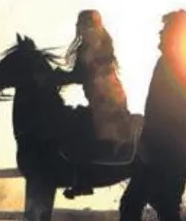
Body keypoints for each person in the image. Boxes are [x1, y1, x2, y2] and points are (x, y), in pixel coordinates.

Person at [110, 9, 186, 221]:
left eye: (165, 30)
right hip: (171, 150)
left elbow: (171, 114)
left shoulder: (179, 68)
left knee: (135, 204)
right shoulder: (177, 66)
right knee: (165, 210)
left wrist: (150, 146)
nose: (160, 34)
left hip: (164, 152)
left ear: (177, 34)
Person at [56, 10, 132, 197]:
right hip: (102, 102)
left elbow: (80, 75)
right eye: (81, 26)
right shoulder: (93, 46)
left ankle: (84, 181)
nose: (82, 30)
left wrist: (56, 77)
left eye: (84, 26)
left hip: (108, 105)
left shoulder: (97, 48)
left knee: (80, 129)